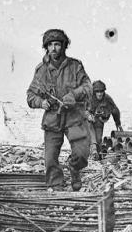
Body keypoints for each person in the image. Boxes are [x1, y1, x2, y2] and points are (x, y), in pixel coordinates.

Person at [26, 29, 92, 191]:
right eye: (50, 45)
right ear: (46, 48)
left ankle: (75, 168)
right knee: (50, 158)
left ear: (64, 46)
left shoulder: (75, 66)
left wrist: (74, 95)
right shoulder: (41, 71)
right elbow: (30, 96)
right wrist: (41, 102)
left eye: (57, 44)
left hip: (74, 116)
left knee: (82, 153)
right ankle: (56, 186)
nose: (54, 48)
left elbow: (88, 87)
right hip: (53, 118)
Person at [86, 80, 122, 159]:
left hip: (99, 120)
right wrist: (87, 115)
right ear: (94, 92)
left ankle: (96, 152)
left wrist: (118, 124)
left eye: (101, 91)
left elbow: (115, 110)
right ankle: (93, 150)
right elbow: (79, 109)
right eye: (97, 91)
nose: (99, 94)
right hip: (87, 120)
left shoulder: (107, 99)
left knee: (98, 139)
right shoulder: (88, 97)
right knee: (91, 135)